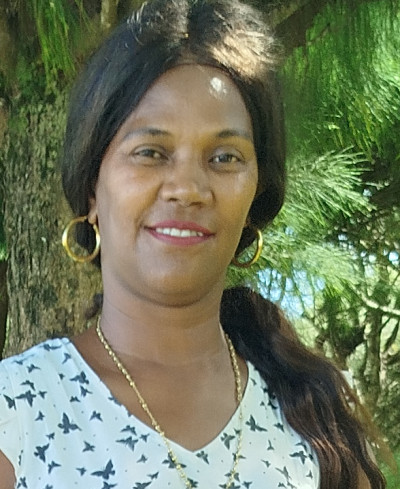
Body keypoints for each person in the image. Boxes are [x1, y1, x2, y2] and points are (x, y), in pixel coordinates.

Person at [0, 0, 387, 487]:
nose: (187, 188)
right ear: (92, 187)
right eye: (151, 152)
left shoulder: (319, 426)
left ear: (256, 194)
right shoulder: (17, 412)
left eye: (225, 157)